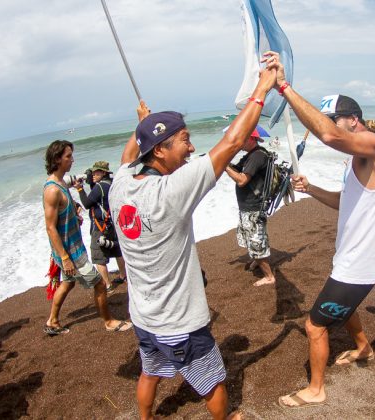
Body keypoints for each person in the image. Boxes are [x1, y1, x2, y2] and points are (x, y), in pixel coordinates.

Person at [108, 66, 277, 420]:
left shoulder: (120, 185)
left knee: (150, 370)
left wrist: (142, 124)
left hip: (143, 315)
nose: (192, 147)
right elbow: (232, 142)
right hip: (179, 321)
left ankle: (145, 418)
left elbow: (129, 157)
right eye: (184, 139)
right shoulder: (171, 191)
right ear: (159, 151)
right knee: (213, 382)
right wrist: (262, 87)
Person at [264, 51, 375, 409]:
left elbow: (327, 135)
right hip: (349, 257)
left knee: (314, 326)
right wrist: (312, 190)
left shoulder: (373, 144)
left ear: (353, 120)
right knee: (343, 306)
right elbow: (346, 202)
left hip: (360, 264)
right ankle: (363, 346)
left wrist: (284, 87)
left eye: (335, 119)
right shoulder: (359, 160)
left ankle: (316, 389)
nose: (331, 125)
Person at [42, 140, 132, 336]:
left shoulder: (61, 183)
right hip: (71, 252)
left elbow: (61, 216)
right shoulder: (52, 190)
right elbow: (50, 228)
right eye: (68, 156)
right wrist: (65, 258)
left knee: (68, 283)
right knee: (99, 283)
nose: (72, 160)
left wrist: (74, 215)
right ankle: (108, 321)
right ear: (57, 159)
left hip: (73, 247)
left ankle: (52, 321)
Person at [225, 131, 276, 286]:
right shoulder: (250, 154)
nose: (239, 142)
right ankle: (256, 260)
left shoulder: (257, 156)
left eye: (242, 139)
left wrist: (225, 168)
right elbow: (237, 169)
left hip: (253, 207)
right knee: (250, 238)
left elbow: (241, 180)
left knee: (256, 242)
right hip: (247, 207)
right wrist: (225, 160)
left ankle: (269, 277)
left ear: (251, 139)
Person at [75, 161, 127, 293]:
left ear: (103, 173)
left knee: (98, 257)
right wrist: (91, 181)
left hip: (100, 227)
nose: (93, 175)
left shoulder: (99, 187)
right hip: (112, 224)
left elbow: (87, 203)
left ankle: (107, 285)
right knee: (116, 251)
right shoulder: (112, 183)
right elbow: (98, 195)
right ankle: (123, 275)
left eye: (96, 173)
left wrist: (80, 188)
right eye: (92, 173)